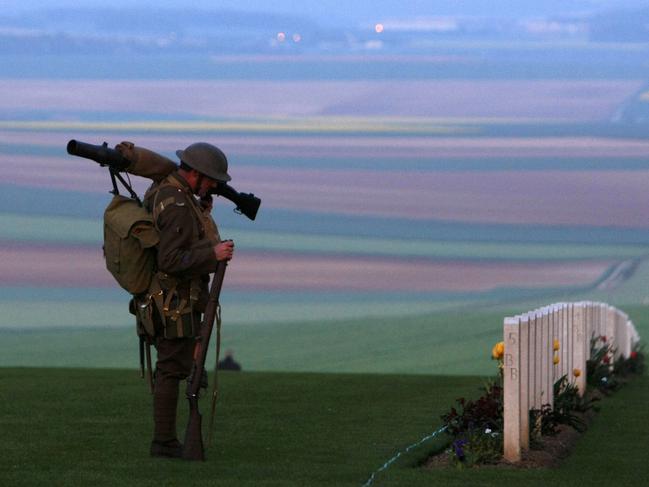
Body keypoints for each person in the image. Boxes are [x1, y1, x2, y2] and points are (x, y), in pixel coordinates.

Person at [117, 141, 235, 458]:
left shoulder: (166, 192)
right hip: (174, 302)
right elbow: (171, 260)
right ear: (194, 174)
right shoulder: (178, 203)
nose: (213, 185)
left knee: (172, 367)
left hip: (167, 300)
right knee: (171, 370)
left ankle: (165, 440)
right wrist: (212, 253)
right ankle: (165, 442)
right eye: (210, 178)